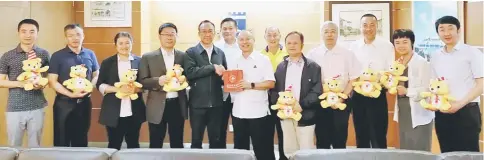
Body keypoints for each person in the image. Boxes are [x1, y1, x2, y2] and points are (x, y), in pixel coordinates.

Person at [430, 16, 483, 152]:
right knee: (446, 152)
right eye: (442, 29)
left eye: (450, 28)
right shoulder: (435, 56)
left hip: (466, 112)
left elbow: (481, 84)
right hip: (443, 113)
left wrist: (459, 104)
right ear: (438, 33)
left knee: (468, 154)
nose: (446, 33)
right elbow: (435, 84)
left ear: (458, 30)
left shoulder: (472, 53)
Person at [307, 21, 361, 149]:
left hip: (342, 101)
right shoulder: (313, 54)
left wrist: (342, 97)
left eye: (332, 31)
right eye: (326, 32)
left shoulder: (347, 54)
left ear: (337, 34)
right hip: (320, 102)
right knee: (322, 139)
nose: (329, 35)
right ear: (321, 34)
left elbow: (354, 78)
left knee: (340, 139)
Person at [271, 31, 322, 158]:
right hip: (286, 115)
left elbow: (317, 90)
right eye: (289, 43)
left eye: (295, 43)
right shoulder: (281, 66)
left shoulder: (313, 66)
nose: (292, 46)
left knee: (306, 151)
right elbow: (274, 89)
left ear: (302, 45)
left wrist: (302, 105)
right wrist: (279, 103)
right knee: (289, 150)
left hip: (305, 114)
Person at [48, 24, 100, 147]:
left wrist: (89, 88)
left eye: (78, 34)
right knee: (61, 139)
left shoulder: (90, 54)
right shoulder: (57, 56)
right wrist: (71, 94)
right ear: (66, 38)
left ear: (83, 36)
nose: (75, 38)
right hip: (63, 103)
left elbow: (96, 74)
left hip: (84, 102)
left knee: (81, 138)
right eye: (70, 35)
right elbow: (52, 81)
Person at [0, 19, 49, 147]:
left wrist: (42, 84)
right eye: (24, 31)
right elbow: (1, 81)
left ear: (37, 33)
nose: (28, 35)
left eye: (32, 31)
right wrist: (21, 83)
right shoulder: (7, 56)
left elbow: (48, 78)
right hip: (15, 107)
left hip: (37, 105)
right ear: (18, 33)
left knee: (35, 146)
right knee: (14, 146)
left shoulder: (44, 54)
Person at [138, 23, 188, 148]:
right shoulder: (148, 57)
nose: (169, 37)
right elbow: (142, 81)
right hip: (156, 105)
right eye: (166, 34)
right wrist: (157, 81)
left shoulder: (183, 56)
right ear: (159, 37)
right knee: (156, 142)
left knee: (177, 142)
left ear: (177, 36)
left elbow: (189, 76)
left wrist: (184, 79)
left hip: (177, 104)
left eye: (172, 34)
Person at [349, 14, 395, 149]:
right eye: (365, 25)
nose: (368, 28)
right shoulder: (353, 46)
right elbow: (351, 71)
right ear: (360, 27)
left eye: (372, 25)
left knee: (379, 133)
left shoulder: (386, 45)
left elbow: (390, 70)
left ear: (377, 26)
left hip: (377, 93)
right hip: (358, 94)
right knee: (361, 132)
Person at [229, 30, 276, 160]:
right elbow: (230, 82)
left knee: (263, 150)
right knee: (240, 151)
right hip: (238, 112)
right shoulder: (233, 60)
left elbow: (271, 83)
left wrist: (251, 85)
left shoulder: (263, 59)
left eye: (248, 39)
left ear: (253, 40)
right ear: (237, 42)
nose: (245, 42)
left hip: (258, 113)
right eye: (241, 40)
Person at [96, 32, 146, 150]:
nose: (124, 46)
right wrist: (117, 89)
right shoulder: (107, 62)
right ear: (116, 45)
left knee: (133, 144)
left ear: (132, 44)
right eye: (121, 43)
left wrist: (137, 88)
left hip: (134, 109)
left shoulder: (139, 61)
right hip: (113, 110)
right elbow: (100, 84)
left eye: (127, 43)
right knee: (114, 144)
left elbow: (144, 83)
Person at [184, 20, 227, 149]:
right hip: (197, 104)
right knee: (196, 140)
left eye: (210, 31)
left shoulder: (220, 53)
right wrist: (212, 67)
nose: (207, 34)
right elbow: (190, 73)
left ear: (215, 33)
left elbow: (223, 76)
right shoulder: (191, 52)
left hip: (217, 104)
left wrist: (229, 77)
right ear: (199, 33)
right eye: (204, 31)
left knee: (216, 140)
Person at [390, 29, 434, 151]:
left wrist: (407, 91)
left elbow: (427, 89)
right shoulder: (397, 63)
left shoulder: (422, 63)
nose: (401, 46)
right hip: (403, 110)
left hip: (418, 112)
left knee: (420, 150)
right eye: (397, 42)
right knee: (406, 149)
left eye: (405, 42)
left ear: (412, 43)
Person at [261, 26, 288, 160]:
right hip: (264, 98)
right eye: (269, 35)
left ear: (280, 36)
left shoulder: (288, 54)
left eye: (275, 35)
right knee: (266, 133)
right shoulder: (259, 55)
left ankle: (284, 157)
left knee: (284, 132)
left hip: (284, 100)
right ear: (265, 37)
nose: (272, 38)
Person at [214, 18, 241, 148]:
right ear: (220, 31)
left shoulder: (243, 45)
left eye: (230, 28)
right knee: (220, 127)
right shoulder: (216, 47)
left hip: (240, 94)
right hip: (221, 93)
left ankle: (240, 155)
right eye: (224, 28)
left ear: (236, 30)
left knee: (240, 128)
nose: (227, 31)